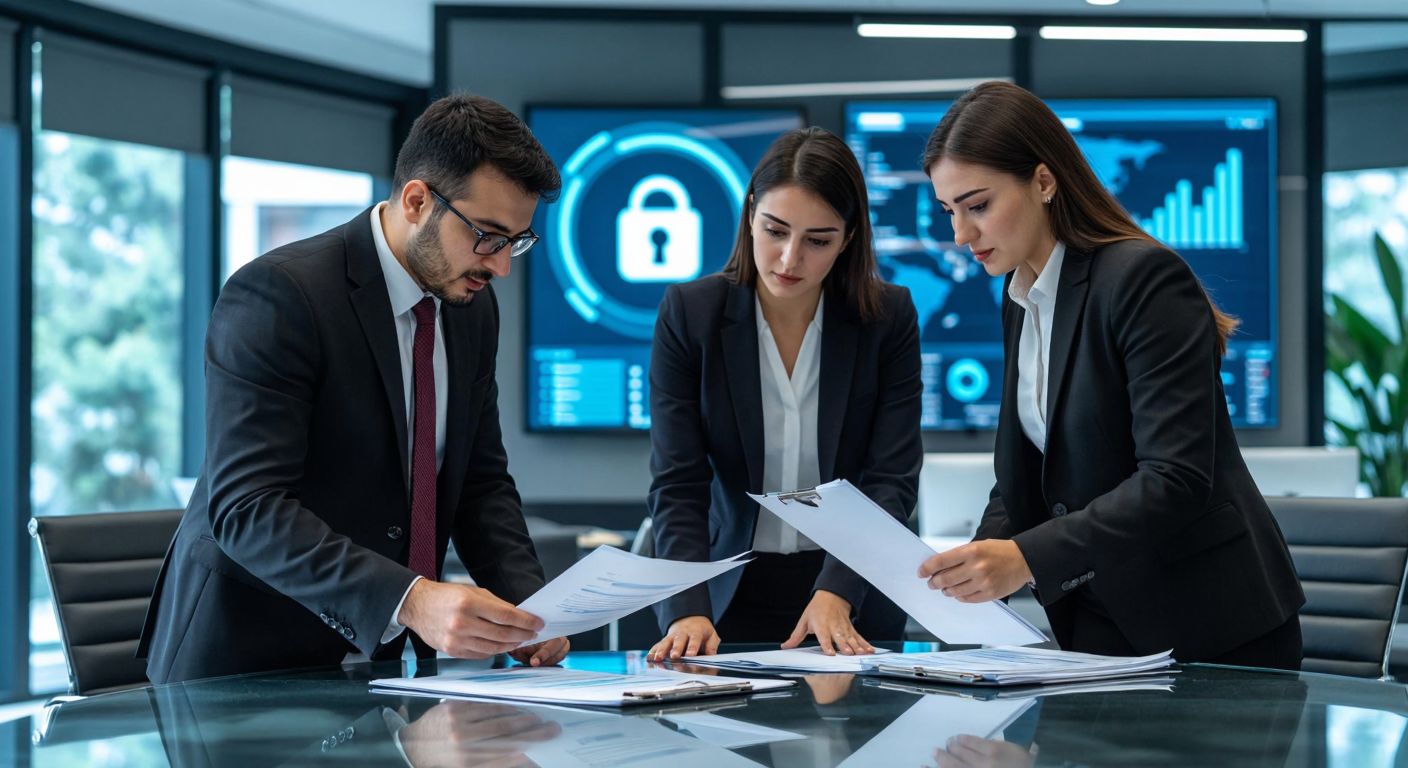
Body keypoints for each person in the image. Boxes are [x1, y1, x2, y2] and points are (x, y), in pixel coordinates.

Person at [138, 93, 570, 683]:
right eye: (488, 236)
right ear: (417, 201)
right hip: (246, 666)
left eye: (516, 241)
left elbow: (479, 481)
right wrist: (411, 599)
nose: (500, 267)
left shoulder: (470, 310)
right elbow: (248, 509)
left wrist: (532, 611)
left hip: (381, 672)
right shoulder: (280, 296)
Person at [916, 82, 1304, 669]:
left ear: (1043, 182)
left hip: (1210, 623)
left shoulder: (1143, 279)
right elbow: (1031, 471)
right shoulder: (1021, 297)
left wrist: (1025, 558)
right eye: (949, 211)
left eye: (978, 206)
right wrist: (973, 564)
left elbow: (1175, 477)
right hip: (1100, 619)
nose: (960, 235)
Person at [647, 127, 923, 661]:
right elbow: (679, 483)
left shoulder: (887, 319)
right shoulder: (691, 314)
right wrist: (685, 608)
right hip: (727, 594)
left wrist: (838, 590)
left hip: (854, 591)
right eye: (775, 231)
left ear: (848, 239)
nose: (789, 259)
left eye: (818, 241)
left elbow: (889, 478)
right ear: (751, 212)